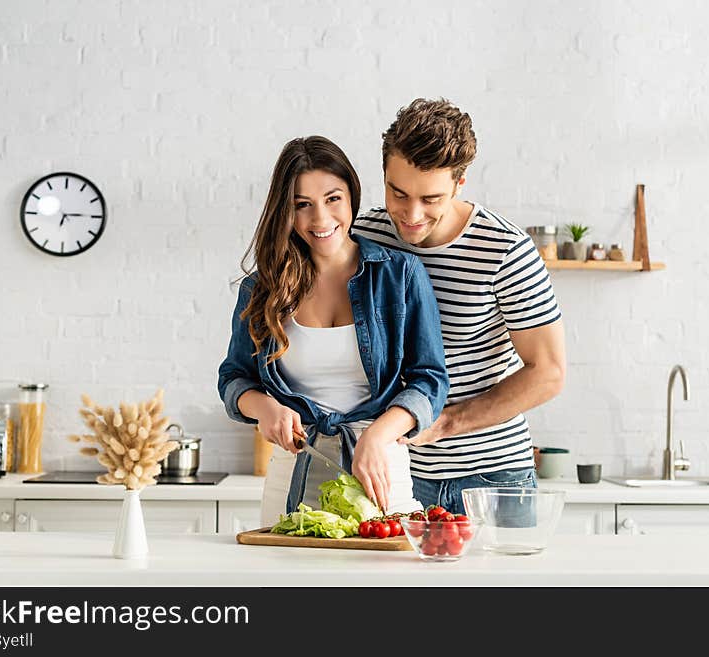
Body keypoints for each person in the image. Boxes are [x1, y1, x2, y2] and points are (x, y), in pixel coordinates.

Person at [217, 135, 448, 526]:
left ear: (352, 196)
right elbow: (234, 378)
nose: (320, 219)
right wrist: (265, 407)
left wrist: (376, 437)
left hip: (380, 470)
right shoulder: (260, 289)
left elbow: (430, 381)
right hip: (292, 472)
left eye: (332, 198)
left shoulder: (399, 274)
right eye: (302, 205)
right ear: (285, 212)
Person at [351, 98, 567, 515]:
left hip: (491, 479)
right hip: (391, 474)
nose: (411, 214)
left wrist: (447, 422)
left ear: (459, 184)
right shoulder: (366, 235)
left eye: (431, 199)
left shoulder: (505, 250)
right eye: (398, 193)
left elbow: (549, 373)